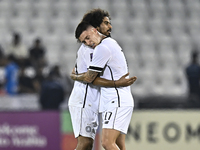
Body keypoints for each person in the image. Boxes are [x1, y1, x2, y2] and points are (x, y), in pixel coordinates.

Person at [68, 9, 137, 150]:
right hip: (83, 100)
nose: (109, 27)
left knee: (102, 143)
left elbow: (90, 76)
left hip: (101, 100)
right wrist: (117, 83)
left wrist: (74, 75)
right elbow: (89, 78)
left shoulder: (102, 46)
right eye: (105, 23)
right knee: (86, 144)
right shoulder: (89, 49)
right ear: (96, 28)